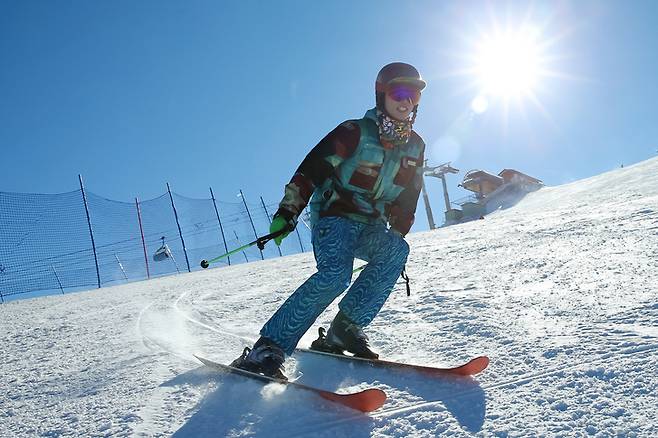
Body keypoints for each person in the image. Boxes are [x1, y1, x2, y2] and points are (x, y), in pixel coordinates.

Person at [231, 62, 427, 380]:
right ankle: (267, 349)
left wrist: (400, 224)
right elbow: (312, 169)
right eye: (399, 91)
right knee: (336, 274)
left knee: (395, 251)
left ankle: (345, 331)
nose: (406, 100)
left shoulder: (415, 145)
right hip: (334, 218)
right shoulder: (354, 132)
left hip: (371, 225)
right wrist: (288, 212)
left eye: (414, 93)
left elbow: (411, 189)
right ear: (382, 95)